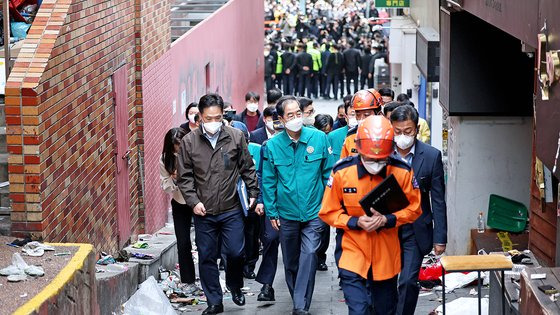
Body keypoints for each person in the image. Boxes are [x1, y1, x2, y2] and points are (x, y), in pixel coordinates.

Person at [319, 115, 422, 315]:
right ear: (358, 149)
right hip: (352, 253)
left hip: (386, 257)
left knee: (384, 310)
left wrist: (388, 219)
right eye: (369, 159)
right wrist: (355, 222)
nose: (375, 164)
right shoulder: (342, 172)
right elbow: (328, 212)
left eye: (380, 160)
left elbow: (414, 208)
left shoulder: (402, 172)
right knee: (359, 310)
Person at [177, 94, 259, 315]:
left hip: (231, 207)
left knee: (235, 253)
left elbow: (247, 167)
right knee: (206, 256)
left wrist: (253, 192)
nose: (214, 122)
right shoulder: (189, 142)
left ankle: (234, 285)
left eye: (218, 117)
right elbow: (184, 177)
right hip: (204, 211)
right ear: (200, 117)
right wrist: (193, 202)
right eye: (209, 118)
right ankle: (214, 300)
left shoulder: (235, 137)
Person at [261, 96, 333, 315]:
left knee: (310, 254)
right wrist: (272, 211)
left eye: (298, 114)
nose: (295, 119)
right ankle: (298, 299)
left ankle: (300, 305)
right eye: (290, 115)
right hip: (286, 213)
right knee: (291, 261)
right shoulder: (272, 145)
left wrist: (327, 206)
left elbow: (328, 175)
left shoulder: (319, 138)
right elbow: (268, 180)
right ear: (281, 119)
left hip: (314, 211)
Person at [390, 105, 447, 315]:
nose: (403, 136)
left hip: (415, 230)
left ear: (416, 129)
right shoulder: (382, 153)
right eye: (398, 131)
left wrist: (440, 237)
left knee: (407, 281)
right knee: (384, 282)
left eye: (408, 131)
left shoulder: (431, 156)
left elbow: (438, 200)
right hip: (387, 227)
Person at [160, 128, 198, 294]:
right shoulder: (165, 159)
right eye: (176, 147)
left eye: (181, 145)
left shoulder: (196, 153)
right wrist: (175, 180)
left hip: (198, 201)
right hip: (180, 201)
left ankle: (207, 277)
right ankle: (188, 280)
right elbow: (166, 185)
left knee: (204, 242)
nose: (179, 149)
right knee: (183, 243)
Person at [340, 89, 383, 159]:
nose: (361, 119)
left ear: (379, 114)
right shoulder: (351, 136)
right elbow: (343, 167)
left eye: (366, 115)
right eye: (358, 115)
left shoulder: (387, 135)